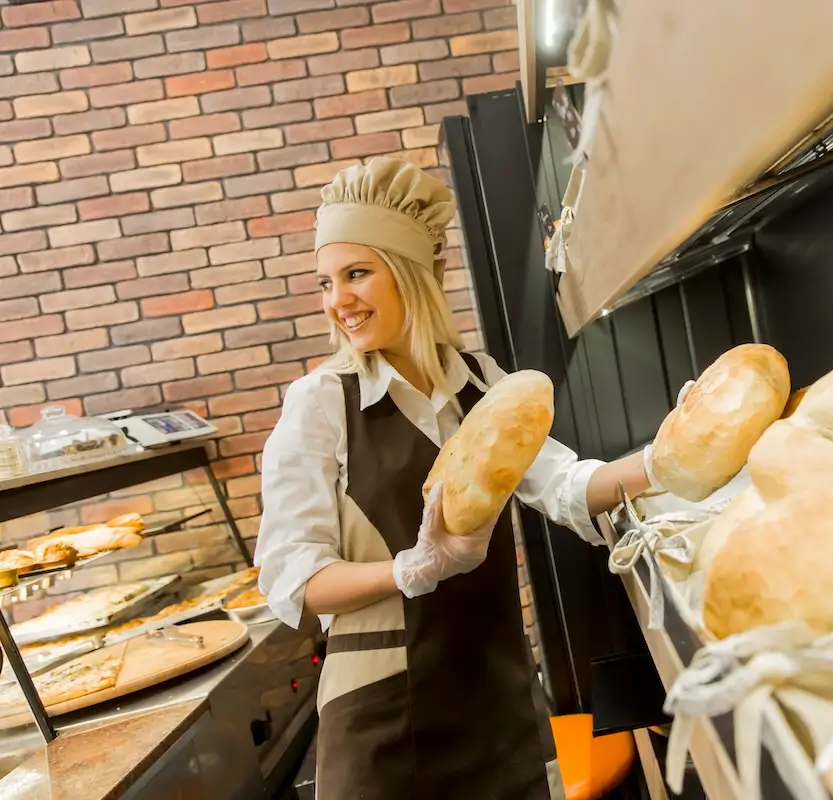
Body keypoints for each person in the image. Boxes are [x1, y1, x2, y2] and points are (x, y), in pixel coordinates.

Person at [255, 158, 674, 800]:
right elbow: (294, 578)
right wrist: (409, 570)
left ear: (413, 275)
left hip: (495, 699)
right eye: (326, 282)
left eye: (357, 273)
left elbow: (565, 486)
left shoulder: (481, 383)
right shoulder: (320, 403)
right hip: (382, 726)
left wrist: (662, 459)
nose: (338, 301)